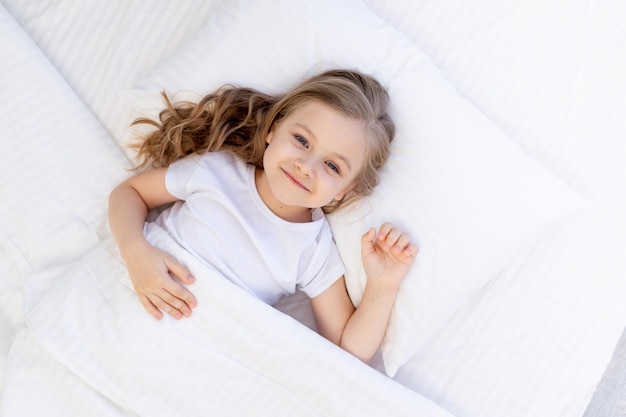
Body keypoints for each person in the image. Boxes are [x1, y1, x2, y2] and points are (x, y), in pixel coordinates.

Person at [108, 69, 418, 364]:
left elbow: (347, 351)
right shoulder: (217, 171)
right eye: (302, 140)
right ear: (273, 129)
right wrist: (136, 254)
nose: (305, 166)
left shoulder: (313, 249)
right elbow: (130, 194)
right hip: (129, 303)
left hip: (198, 346)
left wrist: (382, 287)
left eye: (332, 166)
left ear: (345, 191)